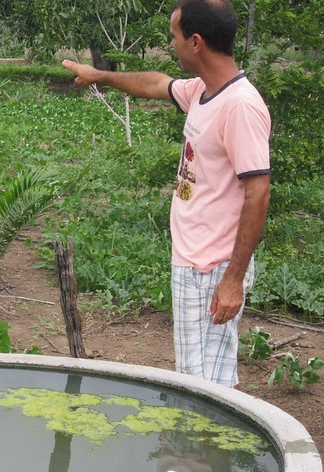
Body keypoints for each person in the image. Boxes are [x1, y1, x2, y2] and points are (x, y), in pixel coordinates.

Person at [62, 0, 271, 388]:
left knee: (203, 387)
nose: (170, 45)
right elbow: (156, 84)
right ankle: (203, 448)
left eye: (173, 37)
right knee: (203, 379)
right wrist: (100, 76)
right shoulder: (204, 92)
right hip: (194, 260)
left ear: (195, 42)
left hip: (213, 267)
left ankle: (203, 449)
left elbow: (258, 192)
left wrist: (233, 279)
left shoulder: (240, 106)